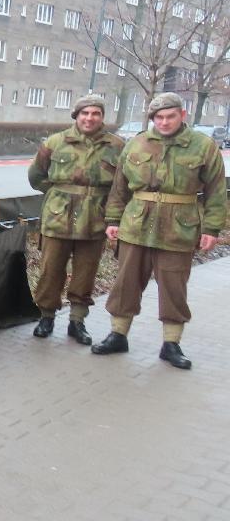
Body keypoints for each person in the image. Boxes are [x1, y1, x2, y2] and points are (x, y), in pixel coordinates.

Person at [92, 92, 226, 369]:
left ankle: (171, 343)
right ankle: (118, 334)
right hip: (136, 225)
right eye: (159, 117)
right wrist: (113, 220)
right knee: (126, 282)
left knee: (174, 286)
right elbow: (119, 188)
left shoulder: (203, 146)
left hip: (179, 228)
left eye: (170, 116)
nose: (164, 122)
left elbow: (216, 192)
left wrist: (212, 228)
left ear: (182, 115)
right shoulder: (137, 143)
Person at [26, 94, 124, 344]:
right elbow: (36, 176)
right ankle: (46, 317)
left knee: (86, 272)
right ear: (76, 116)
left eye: (95, 113)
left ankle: (77, 321)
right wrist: (59, 195)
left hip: (95, 219)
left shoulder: (116, 146)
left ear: (102, 117)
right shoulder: (56, 142)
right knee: (50, 270)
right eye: (85, 113)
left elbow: (122, 186)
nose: (90, 118)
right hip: (58, 218)